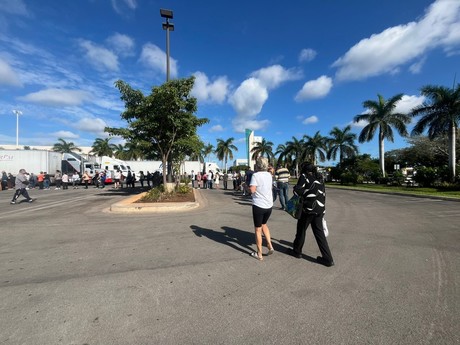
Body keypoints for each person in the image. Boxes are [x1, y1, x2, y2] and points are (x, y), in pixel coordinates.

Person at [290, 162, 334, 267]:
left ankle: (297, 251)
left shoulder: (304, 176)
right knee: (320, 234)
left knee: (301, 230)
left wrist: (295, 188)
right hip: (319, 208)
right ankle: (328, 259)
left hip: (308, 209)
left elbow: (298, 192)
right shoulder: (319, 177)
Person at [248, 157, 275, 261]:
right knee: (264, 224)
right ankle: (270, 244)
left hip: (259, 205)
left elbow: (252, 190)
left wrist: (247, 187)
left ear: (257, 165)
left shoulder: (255, 175)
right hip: (269, 205)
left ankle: (259, 254)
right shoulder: (269, 175)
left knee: (258, 229)